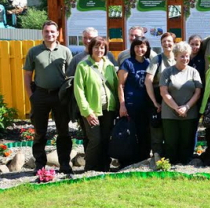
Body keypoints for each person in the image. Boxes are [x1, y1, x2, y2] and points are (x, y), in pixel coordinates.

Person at [23, 20, 73, 174]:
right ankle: (40, 165)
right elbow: (27, 75)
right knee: (40, 131)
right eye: (46, 31)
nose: (49, 34)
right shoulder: (34, 51)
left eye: (52, 31)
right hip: (41, 95)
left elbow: (70, 76)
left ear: (58, 33)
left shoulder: (65, 51)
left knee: (63, 131)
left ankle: (64, 163)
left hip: (60, 95)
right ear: (42, 33)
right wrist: (31, 96)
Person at [73, 36, 118, 172]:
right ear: (91, 48)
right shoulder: (83, 66)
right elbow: (79, 90)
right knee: (95, 140)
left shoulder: (109, 65)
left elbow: (115, 87)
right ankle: (90, 169)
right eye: (96, 47)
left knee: (105, 139)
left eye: (102, 47)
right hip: (92, 111)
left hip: (108, 109)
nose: (99, 50)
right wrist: (87, 112)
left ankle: (104, 168)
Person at [159, 42, 202, 165]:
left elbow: (198, 92)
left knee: (186, 143)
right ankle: (170, 166)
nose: (185, 59)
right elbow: (164, 92)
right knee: (171, 142)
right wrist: (177, 108)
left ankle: (185, 166)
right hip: (170, 114)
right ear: (175, 56)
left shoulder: (193, 72)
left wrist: (186, 107)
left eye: (187, 56)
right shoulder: (167, 72)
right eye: (182, 56)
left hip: (190, 113)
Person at [117, 36, 152, 164]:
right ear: (133, 48)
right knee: (130, 134)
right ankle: (127, 161)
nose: (140, 49)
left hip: (145, 105)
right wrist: (122, 105)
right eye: (137, 46)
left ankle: (143, 160)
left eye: (142, 46)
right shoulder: (127, 63)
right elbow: (121, 85)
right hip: (131, 104)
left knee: (144, 134)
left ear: (147, 48)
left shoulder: (149, 63)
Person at [145, 32, 176, 160]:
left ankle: (171, 157)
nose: (167, 44)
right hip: (158, 98)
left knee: (171, 129)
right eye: (164, 42)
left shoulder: (179, 57)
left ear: (174, 43)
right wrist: (154, 102)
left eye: (169, 41)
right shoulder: (156, 59)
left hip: (175, 98)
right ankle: (157, 157)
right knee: (157, 129)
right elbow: (148, 80)